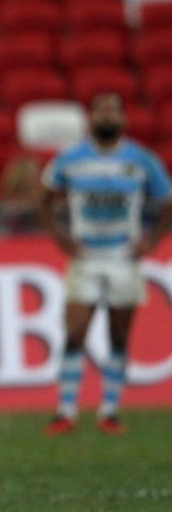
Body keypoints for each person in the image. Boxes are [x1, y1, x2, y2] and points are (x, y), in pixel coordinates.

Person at [40, 92, 172, 436]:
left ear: (123, 119)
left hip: (123, 258)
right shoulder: (71, 159)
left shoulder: (141, 160)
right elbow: (43, 197)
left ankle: (109, 410)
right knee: (75, 332)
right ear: (90, 118)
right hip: (86, 257)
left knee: (118, 334)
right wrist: (62, 238)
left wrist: (153, 240)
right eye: (101, 110)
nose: (107, 116)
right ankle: (66, 410)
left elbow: (166, 199)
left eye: (113, 110)